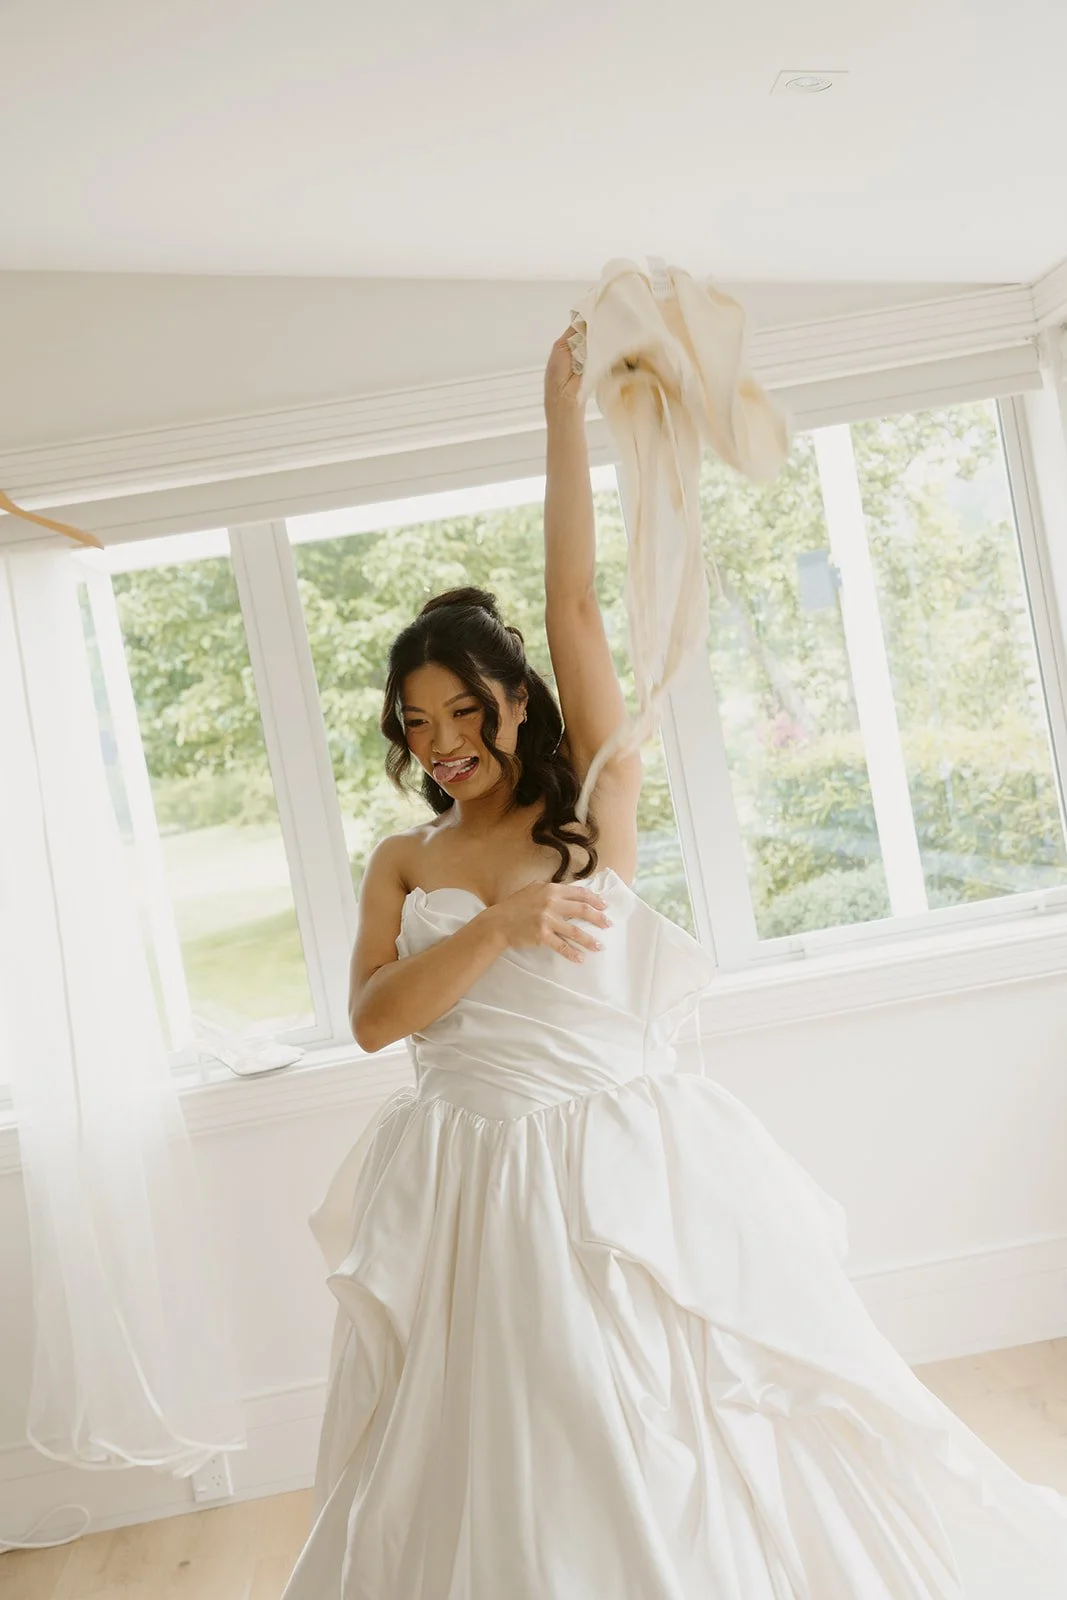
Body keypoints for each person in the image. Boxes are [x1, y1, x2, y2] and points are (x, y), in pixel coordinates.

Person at [281, 336, 1067, 1599]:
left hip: (606, 1166)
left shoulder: (589, 811)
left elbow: (576, 604)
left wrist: (558, 414)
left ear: (515, 701)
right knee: (483, 1454)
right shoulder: (403, 861)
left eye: (463, 711)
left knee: (645, 1421)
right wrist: (496, 928)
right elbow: (374, 1021)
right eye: (416, 723)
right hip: (467, 1185)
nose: (441, 743)